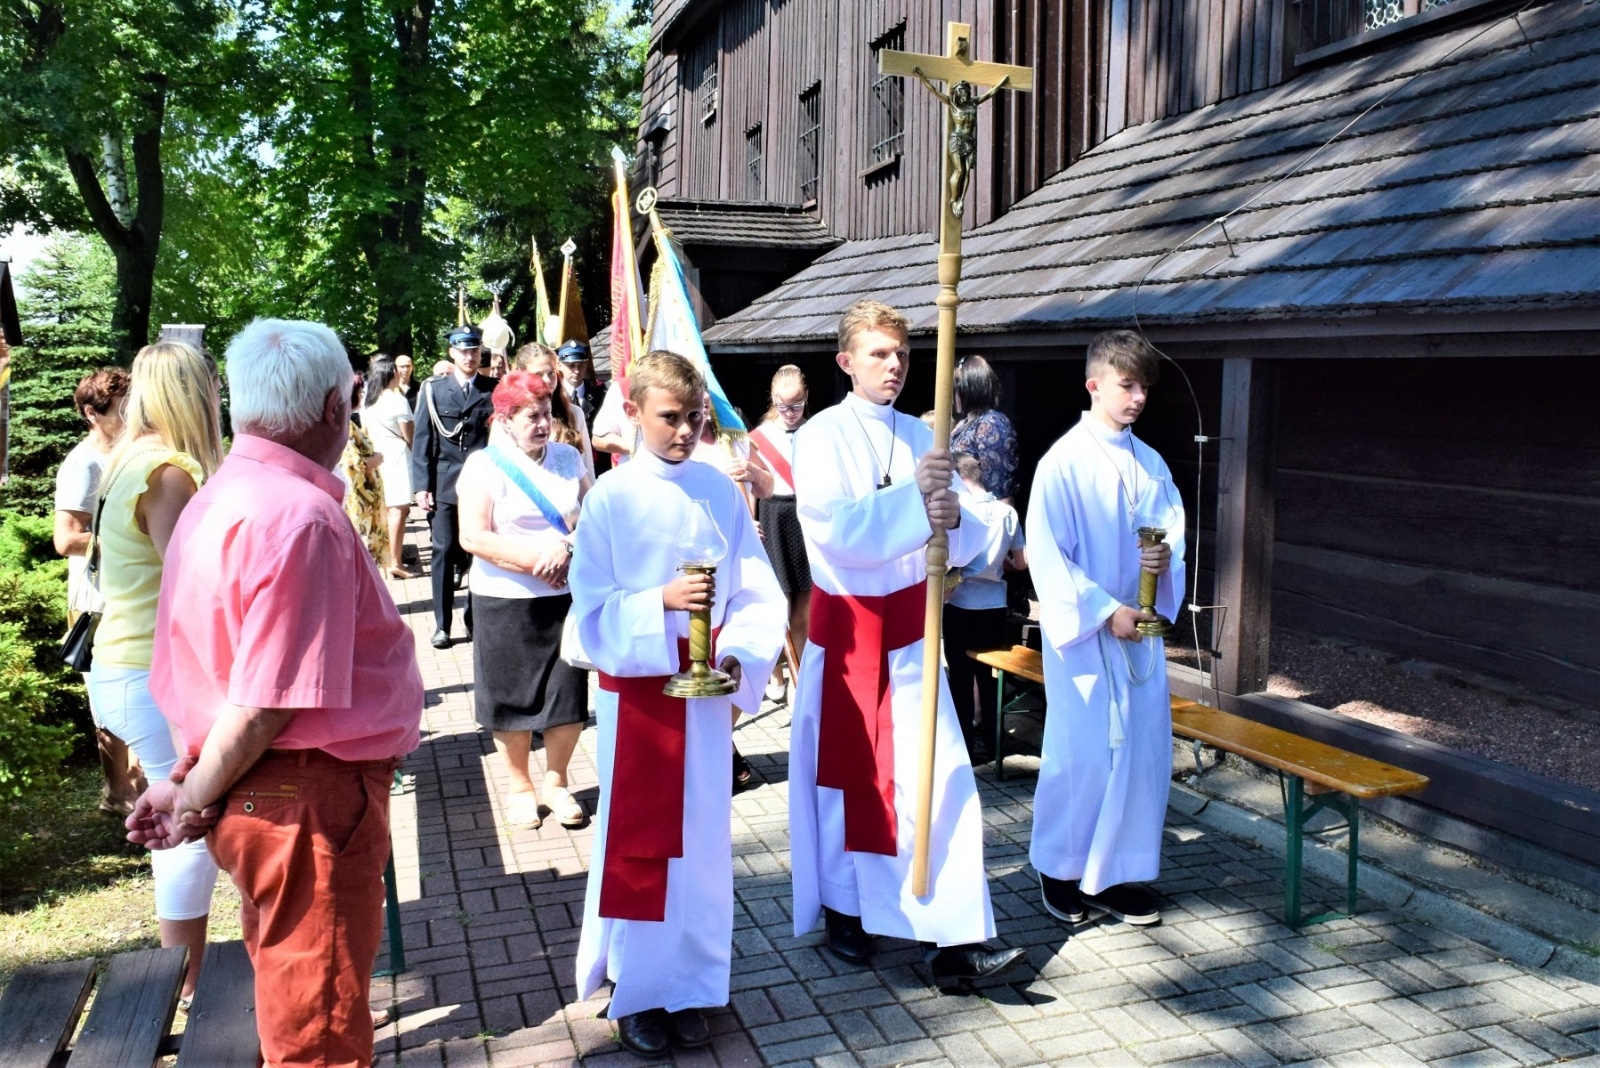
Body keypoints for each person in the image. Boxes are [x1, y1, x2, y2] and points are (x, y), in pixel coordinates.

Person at [132, 318, 423, 1068]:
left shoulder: (217, 495)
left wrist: (192, 783)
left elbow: (209, 670)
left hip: (268, 795)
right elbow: (266, 699)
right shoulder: (301, 517)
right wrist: (195, 791)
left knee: (296, 994)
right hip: (306, 804)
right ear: (337, 406)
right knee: (316, 1030)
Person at [787, 299, 1026, 990]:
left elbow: (973, 531)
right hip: (849, 640)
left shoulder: (926, 440)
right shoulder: (822, 437)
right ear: (846, 361)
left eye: (902, 354)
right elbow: (833, 532)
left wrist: (961, 519)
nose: (894, 365)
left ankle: (954, 941)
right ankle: (847, 914)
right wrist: (916, 508)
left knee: (940, 785)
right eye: (879, 353)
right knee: (846, 784)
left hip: (913, 642)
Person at [570, 352, 784, 1058]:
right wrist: (658, 601)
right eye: (671, 418)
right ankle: (638, 992)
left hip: (701, 700)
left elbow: (756, 589)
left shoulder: (719, 492)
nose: (688, 431)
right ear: (632, 413)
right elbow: (591, 611)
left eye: (694, 417)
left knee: (700, 852)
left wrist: (738, 658)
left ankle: (691, 986)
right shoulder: (610, 498)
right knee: (641, 849)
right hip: (637, 703)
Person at [1026, 329, 1185, 928]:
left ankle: (1118, 873)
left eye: (1145, 385)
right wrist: (1102, 610)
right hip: (1087, 634)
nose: (1138, 396)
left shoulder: (1152, 463)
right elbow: (1047, 554)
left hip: (1138, 630)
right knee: (1083, 751)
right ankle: (1061, 868)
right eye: (1127, 384)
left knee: (1142, 752)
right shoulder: (1062, 462)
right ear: (1094, 384)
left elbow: (1171, 532)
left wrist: (1162, 566)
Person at [89, 341, 224, 1003]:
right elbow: (190, 586)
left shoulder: (125, 459)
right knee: (186, 835)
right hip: (148, 669)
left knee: (180, 832)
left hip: (121, 662)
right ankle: (189, 988)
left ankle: (187, 983)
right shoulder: (169, 471)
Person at [458, 371, 592, 830]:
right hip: (505, 599)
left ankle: (557, 782)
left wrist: (569, 548)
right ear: (506, 419)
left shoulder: (569, 457)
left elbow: (593, 516)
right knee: (511, 699)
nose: (543, 424)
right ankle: (519, 787)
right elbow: (473, 536)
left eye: (547, 414)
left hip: (565, 598)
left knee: (566, 697)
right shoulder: (483, 466)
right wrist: (541, 560)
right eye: (532, 416)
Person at [54, 367, 143, 816]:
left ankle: (138, 786)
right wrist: (126, 538)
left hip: (127, 591)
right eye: (120, 409)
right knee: (108, 700)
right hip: (95, 603)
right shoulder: (83, 463)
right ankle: (117, 794)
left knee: (137, 692)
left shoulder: (129, 452)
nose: (131, 415)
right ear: (92, 413)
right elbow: (66, 538)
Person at [411, 325, 496, 648]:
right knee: (443, 554)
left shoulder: (493, 389)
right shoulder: (433, 390)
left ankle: (475, 619)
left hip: (484, 486)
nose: (469, 356)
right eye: (463, 351)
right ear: (451, 353)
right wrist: (422, 485)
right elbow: (423, 441)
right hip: (446, 482)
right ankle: (442, 624)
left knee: (482, 555)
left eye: (474, 350)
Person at [944, 451, 1027, 766]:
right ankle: (994, 745)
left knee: (961, 678)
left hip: (961, 601)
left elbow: (953, 560)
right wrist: (1001, 561)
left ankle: (963, 749)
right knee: (989, 676)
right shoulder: (1007, 513)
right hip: (995, 604)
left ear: (961, 478)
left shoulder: (961, 510)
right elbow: (1021, 561)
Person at [749, 365, 813, 705]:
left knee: (803, 606)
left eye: (797, 405)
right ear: (773, 401)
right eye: (784, 406)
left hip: (803, 518)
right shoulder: (760, 436)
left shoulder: (815, 432)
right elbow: (751, 485)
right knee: (778, 604)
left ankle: (800, 676)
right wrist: (751, 522)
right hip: (774, 518)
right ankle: (775, 672)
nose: (790, 413)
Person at [364, 354, 418, 578]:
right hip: (396, 455)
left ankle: (386, 558)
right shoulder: (398, 400)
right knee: (398, 510)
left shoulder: (370, 402)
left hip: (378, 454)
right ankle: (395, 562)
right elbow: (409, 435)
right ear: (391, 374)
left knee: (385, 509)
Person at [516, 342, 596, 482]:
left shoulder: (574, 413)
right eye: (538, 374)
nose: (547, 380)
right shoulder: (509, 418)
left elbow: (586, 467)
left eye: (551, 373)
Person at [950, 354, 1019, 503]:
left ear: (972, 387)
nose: (954, 395)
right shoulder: (963, 424)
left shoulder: (992, 424)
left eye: (958, 387)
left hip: (983, 519)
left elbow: (1002, 493)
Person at [341, 375, 389, 567]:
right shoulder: (345, 426)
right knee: (363, 549)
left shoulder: (349, 423)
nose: (362, 396)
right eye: (360, 393)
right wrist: (375, 459)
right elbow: (353, 463)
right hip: (359, 499)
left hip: (365, 497)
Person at [558, 339, 603, 425]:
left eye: (581, 366)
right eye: (571, 366)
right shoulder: (554, 396)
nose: (577, 371)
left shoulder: (599, 396)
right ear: (559, 365)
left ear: (586, 366)